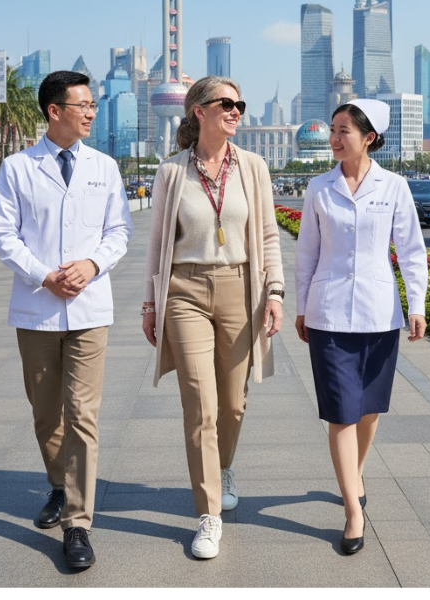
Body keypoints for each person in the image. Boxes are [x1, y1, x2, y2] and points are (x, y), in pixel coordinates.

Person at [0, 70, 133, 569]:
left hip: (91, 308)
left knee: (83, 415)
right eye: (83, 105)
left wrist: (92, 264)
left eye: (94, 105)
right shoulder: (17, 168)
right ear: (55, 111)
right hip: (37, 307)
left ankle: (77, 522)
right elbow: (4, 236)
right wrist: (44, 276)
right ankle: (58, 482)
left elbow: (119, 230)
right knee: (47, 413)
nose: (92, 112)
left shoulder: (104, 167)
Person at [142, 76, 284, 559]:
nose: (236, 111)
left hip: (240, 288)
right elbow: (157, 246)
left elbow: (267, 235)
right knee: (199, 404)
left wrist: (275, 293)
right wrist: (149, 304)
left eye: (240, 104)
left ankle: (223, 467)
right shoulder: (171, 173)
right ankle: (209, 515)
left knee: (233, 403)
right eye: (227, 103)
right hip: (184, 290)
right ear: (198, 111)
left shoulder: (254, 168)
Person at [294, 99, 427, 555]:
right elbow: (306, 253)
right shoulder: (318, 188)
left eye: (343, 130)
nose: (334, 138)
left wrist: (417, 304)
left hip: (378, 314)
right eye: (332, 129)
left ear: (369, 137)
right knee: (341, 412)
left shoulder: (394, 187)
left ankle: (354, 473)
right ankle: (353, 510)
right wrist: (299, 306)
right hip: (328, 314)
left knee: (368, 411)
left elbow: (411, 250)